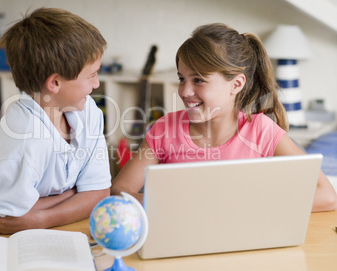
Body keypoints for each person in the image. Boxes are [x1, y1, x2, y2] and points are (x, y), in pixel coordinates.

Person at [111, 23, 337, 212]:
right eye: (182, 79)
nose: (184, 91)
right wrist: (172, 205)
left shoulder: (261, 131)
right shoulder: (164, 130)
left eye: (198, 80)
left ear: (236, 84)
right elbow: (119, 190)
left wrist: (240, 205)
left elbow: (327, 196)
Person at [0, 8, 111, 234]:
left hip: (49, 229)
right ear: (54, 83)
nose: (97, 84)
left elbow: (99, 195)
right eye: (91, 75)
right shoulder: (26, 136)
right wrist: (75, 193)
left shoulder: (90, 112)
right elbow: (6, 219)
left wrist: (41, 217)